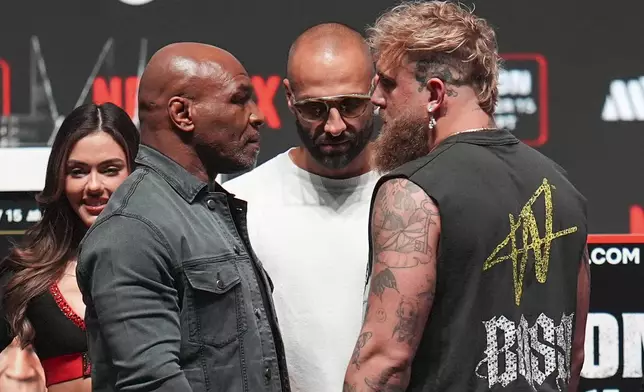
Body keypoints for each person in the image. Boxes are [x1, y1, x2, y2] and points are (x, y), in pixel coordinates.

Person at [343, 2, 590, 392]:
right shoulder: (563, 189)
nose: (375, 99)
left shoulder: (412, 191)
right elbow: (573, 356)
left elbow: (385, 364)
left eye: (388, 83)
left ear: (435, 94)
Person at [76, 42, 290, 392]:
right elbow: (151, 383)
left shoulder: (207, 210)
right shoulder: (132, 230)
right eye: (239, 100)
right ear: (182, 114)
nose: (258, 115)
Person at [224, 23, 380, 391]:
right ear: (289, 97)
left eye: (351, 104)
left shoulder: (418, 191)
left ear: (375, 91)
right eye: (315, 109)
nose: (335, 125)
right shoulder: (243, 200)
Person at [0, 102, 140, 392]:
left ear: (136, 173)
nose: (93, 185)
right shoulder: (24, 278)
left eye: (110, 170)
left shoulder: (175, 264)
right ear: (60, 179)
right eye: (77, 171)